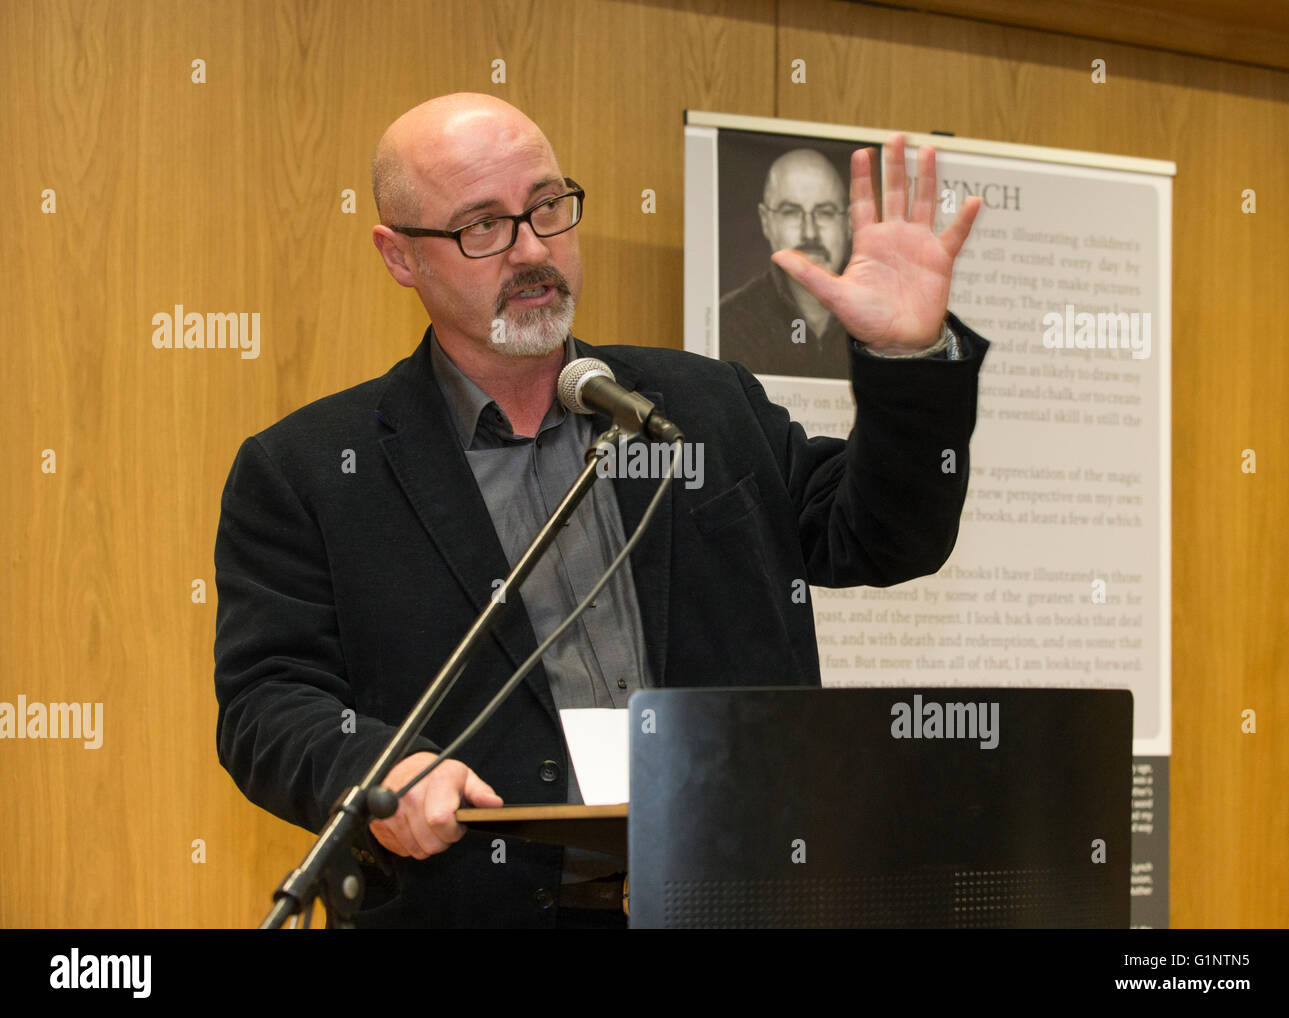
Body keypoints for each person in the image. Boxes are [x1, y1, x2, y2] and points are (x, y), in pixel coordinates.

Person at [213, 93, 988, 928]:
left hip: (737, 897)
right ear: (400, 256)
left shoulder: (704, 404)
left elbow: (885, 539)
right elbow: (267, 700)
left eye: (548, 206)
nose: (532, 249)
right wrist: (378, 768)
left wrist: (908, 359)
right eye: (483, 225)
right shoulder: (310, 472)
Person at [719, 147, 856, 378]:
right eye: (791, 212)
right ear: (766, 222)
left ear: (848, 223)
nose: (809, 232)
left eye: (825, 213)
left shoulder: (881, 320)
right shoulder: (728, 322)